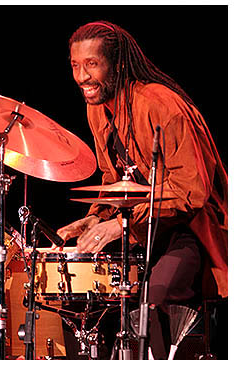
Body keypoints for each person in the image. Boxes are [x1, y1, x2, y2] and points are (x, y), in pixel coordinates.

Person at [55, 20, 228, 359]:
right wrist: (95, 218)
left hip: (191, 229)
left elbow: (192, 191)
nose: (81, 77)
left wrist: (119, 225)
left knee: (155, 296)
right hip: (142, 228)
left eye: (92, 64)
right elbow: (112, 178)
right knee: (87, 295)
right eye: (76, 65)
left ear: (116, 65)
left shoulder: (161, 104)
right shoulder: (97, 109)